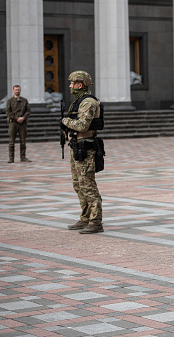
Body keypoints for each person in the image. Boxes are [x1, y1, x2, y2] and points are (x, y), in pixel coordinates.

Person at [60, 71, 104, 234]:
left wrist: (65, 121)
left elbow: (83, 126)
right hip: (77, 146)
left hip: (86, 147)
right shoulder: (77, 102)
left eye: (72, 83)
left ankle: (95, 221)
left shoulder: (89, 103)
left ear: (80, 84)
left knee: (87, 184)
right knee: (78, 184)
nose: (70, 86)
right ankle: (85, 217)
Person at [6, 85, 31, 163]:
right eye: (16, 90)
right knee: (11, 142)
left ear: (20, 90)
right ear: (13, 90)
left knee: (23, 141)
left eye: (18, 90)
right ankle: (11, 158)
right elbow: (8, 111)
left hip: (22, 123)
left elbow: (28, 111)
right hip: (13, 123)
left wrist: (23, 118)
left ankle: (23, 157)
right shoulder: (10, 101)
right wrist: (16, 118)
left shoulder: (24, 100)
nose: (17, 91)